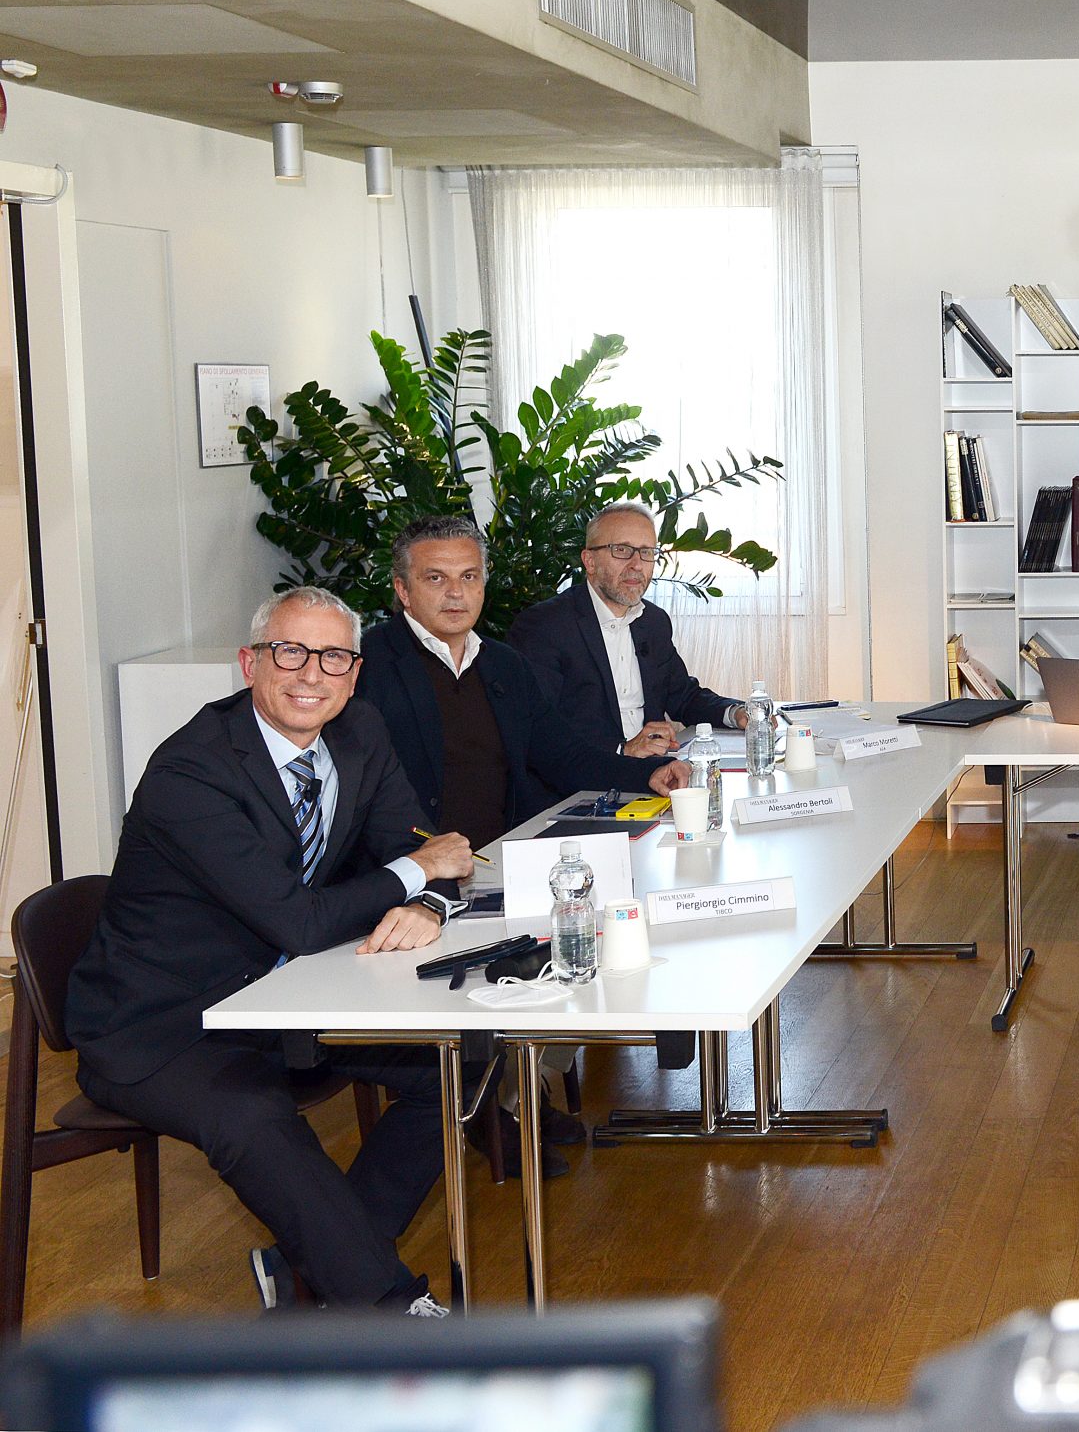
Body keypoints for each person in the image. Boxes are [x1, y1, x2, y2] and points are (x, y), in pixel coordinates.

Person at [64, 587, 478, 1316]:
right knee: (253, 1115)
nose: (311, 674)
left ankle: (309, 1265)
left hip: (284, 997)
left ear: (355, 673)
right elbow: (303, 919)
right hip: (164, 1023)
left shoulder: (359, 731)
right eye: (290, 652)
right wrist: (419, 872)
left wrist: (427, 900)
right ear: (250, 662)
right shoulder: (190, 771)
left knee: (460, 1058)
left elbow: (417, 845)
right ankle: (387, 1311)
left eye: (333, 657)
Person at [358, 515, 688, 846]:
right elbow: (357, 796)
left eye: (469, 576)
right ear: (403, 590)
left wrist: (650, 772)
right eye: (436, 578)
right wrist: (415, 866)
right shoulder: (365, 664)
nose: (456, 592)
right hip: (415, 864)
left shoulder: (504, 664)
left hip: (507, 853)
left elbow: (564, 756)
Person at [507, 503, 745, 783]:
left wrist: (736, 713)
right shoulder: (544, 627)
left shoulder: (653, 621)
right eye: (621, 550)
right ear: (590, 561)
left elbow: (683, 696)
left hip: (651, 775)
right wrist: (622, 749)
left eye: (647, 552)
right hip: (583, 785)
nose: (636, 565)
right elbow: (540, 733)